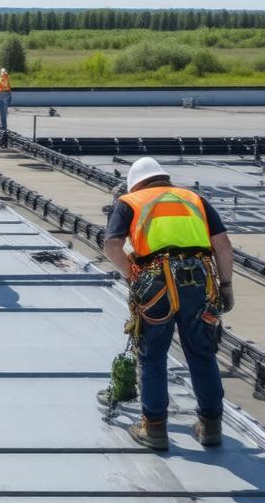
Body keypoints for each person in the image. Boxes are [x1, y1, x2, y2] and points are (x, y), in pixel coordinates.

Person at [101, 157, 236, 451]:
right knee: (201, 352)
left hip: (155, 284)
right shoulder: (194, 199)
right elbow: (223, 245)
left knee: (153, 355)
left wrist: (131, 276)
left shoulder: (129, 201)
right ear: (164, 177)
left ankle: (154, 429)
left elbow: (111, 246)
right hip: (199, 281)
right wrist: (226, 286)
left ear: (135, 182)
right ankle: (211, 426)